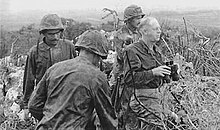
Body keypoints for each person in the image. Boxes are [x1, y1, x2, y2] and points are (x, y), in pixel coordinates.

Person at [28, 30, 118, 130]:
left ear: (79, 49)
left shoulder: (54, 68)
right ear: (98, 55)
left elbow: (34, 106)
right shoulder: (97, 77)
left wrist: (53, 119)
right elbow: (107, 119)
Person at [122, 17, 179, 129]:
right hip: (142, 98)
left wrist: (171, 72)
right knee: (158, 122)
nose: (159, 31)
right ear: (144, 31)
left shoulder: (156, 50)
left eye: (159, 29)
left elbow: (161, 77)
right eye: (155, 29)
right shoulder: (132, 51)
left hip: (157, 98)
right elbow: (129, 79)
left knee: (174, 119)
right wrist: (153, 73)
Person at [22, 14, 77, 110]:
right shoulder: (35, 52)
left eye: (57, 33)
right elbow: (29, 79)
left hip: (66, 96)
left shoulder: (69, 47)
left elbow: (77, 71)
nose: (55, 37)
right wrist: (27, 104)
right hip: (44, 98)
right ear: (43, 33)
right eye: (51, 34)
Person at [110, 4, 145, 87]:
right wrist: (127, 47)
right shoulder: (119, 35)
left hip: (137, 74)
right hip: (122, 75)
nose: (139, 21)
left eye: (140, 18)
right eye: (137, 18)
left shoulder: (141, 33)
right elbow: (121, 56)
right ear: (129, 20)